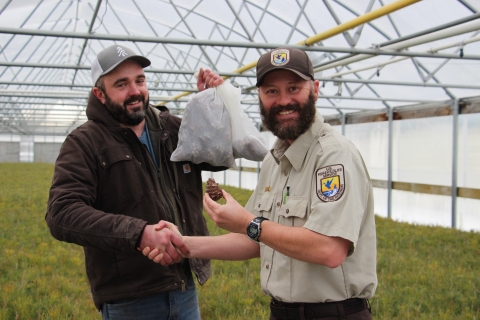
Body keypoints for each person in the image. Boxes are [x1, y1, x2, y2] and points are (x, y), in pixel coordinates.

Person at [146, 46, 377, 320]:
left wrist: (247, 222)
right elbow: (256, 241)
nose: (283, 100)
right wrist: (184, 244)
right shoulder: (274, 160)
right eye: (271, 91)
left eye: (294, 88)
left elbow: (329, 249)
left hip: (333, 314)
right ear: (260, 97)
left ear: (314, 88)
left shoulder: (333, 156)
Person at [45, 44, 226, 319]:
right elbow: (61, 213)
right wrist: (138, 233)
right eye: (121, 84)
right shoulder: (84, 143)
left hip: (184, 289)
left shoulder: (174, 129)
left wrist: (212, 108)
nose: (135, 91)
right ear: (100, 94)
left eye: (139, 80)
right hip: (130, 298)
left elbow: (220, 157)